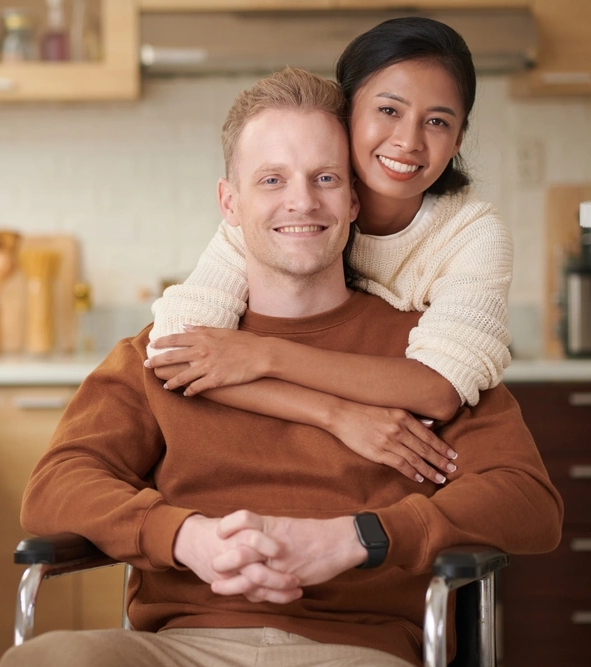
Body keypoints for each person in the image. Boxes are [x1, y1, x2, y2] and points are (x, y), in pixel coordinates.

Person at [0, 68, 562, 667]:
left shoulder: (424, 353)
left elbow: (529, 502)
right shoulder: (168, 350)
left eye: (324, 178)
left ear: (351, 200)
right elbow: (55, 486)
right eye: (272, 180)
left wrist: (362, 536)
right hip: (174, 648)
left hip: (355, 650)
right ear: (230, 203)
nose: (301, 201)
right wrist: (185, 537)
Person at [147, 17, 512, 488]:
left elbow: (440, 390)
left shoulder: (472, 234)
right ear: (348, 113)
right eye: (388, 110)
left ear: (458, 138)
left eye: (437, 121)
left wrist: (264, 355)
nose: (409, 141)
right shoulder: (299, 216)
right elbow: (175, 346)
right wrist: (335, 415)